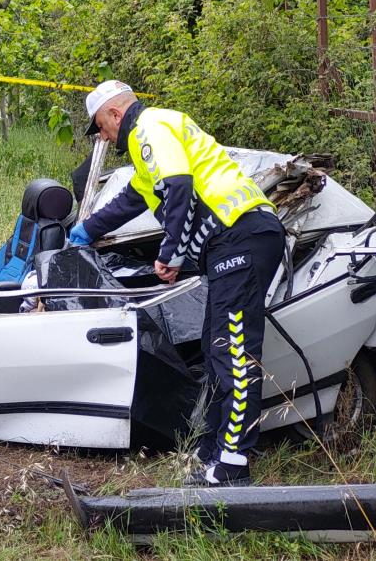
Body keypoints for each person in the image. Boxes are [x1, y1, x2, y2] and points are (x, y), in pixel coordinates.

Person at [69, 80, 285, 487]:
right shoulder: (148, 150)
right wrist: (84, 230)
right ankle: (212, 452)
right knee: (215, 346)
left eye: (100, 125)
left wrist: (172, 252)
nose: (102, 135)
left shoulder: (150, 126)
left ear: (115, 114)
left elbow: (180, 186)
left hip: (241, 234)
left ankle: (233, 465)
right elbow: (132, 200)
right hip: (233, 240)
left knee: (233, 350)